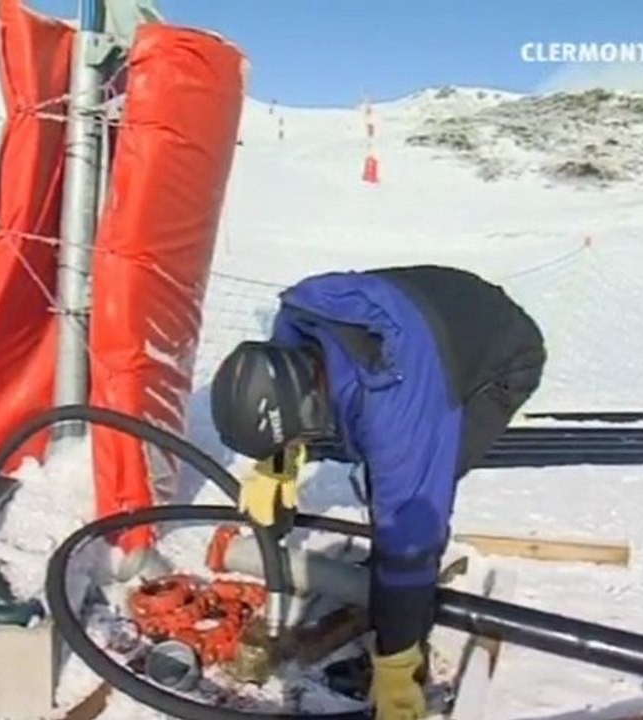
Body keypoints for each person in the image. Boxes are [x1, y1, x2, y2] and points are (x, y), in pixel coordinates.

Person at [209, 264, 546, 720]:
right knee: (390, 479)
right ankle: (390, 600)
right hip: (433, 317)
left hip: (502, 354)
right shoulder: (290, 333)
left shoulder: (398, 411)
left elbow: (411, 526)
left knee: (416, 504)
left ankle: (408, 646)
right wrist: (276, 468)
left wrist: (395, 668)